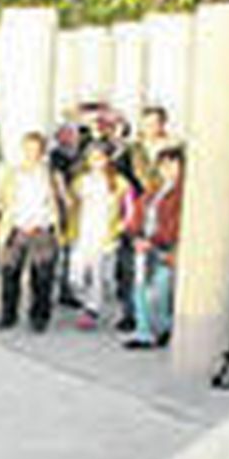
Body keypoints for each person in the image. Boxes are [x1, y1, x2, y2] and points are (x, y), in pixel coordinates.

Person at [0, 131, 68, 333]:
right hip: (16, 229)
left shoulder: (52, 175)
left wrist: (58, 225)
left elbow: (63, 202)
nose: (32, 153)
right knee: (10, 273)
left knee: (42, 277)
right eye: (29, 149)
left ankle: (39, 316)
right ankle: (8, 315)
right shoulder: (11, 173)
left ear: (43, 151)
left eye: (37, 149)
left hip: (43, 230)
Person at [122, 147, 183, 350]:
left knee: (159, 290)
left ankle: (163, 327)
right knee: (140, 289)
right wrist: (134, 234)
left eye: (173, 164)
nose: (168, 169)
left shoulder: (183, 193)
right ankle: (144, 331)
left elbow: (177, 223)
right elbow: (138, 212)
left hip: (165, 248)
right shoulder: (155, 188)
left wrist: (155, 240)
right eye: (164, 164)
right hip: (144, 245)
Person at [66, 142, 127, 331]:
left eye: (100, 157)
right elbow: (71, 203)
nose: (97, 162)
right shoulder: (80, 180)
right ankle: (89, 302)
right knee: (75, 277)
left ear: (108, 159)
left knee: (99, 276)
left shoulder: (119, 181)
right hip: (83, 233)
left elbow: (129, 207)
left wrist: (120, 227)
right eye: (93, 158)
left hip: (105, 235)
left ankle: (91, 311)